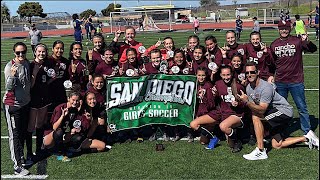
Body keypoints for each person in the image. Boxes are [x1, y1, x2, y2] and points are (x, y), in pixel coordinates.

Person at [239, 62, 319, 161]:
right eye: (247, 73)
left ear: (258, 72)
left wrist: (246, 102)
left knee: (255, 116)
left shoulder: (265, 87)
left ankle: (260, 150)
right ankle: (307, 138)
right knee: (277, 145)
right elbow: (254, 107)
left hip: (283, 111)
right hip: (272, 113)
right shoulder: (248, 88)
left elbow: (262, 109)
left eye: (252, 72)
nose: (249, 75)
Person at [270, 21, 317, 135]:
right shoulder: (274, 44)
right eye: (282, 28)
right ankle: (281, 131)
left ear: (290, 29)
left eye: (286, 28)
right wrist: (271, 76)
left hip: (296, 81)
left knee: (302, 107)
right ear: (278, 30)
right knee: (280, 109)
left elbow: (313, 49)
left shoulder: (297, 41)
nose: (284, 31)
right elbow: (271, 64)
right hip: (280, 82)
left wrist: (307, 41)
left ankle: (307, 131)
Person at [190, 64, 246, 153]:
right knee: (193, 124)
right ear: (220, 75)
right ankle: (214, 138)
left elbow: (245, 105)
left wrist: (238, 104)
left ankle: (236, 140)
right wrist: (209, 96)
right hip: (220, 113)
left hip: (234, 114)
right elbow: (212, 103)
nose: (226, 77)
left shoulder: (238, 86)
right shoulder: (218, 84)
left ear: (231, 74)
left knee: (225, 132)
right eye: (223, 75)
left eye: (228, 74)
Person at [3, 42, 31, 176]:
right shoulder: (10, 67)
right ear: (14, 53)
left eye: (23, 52)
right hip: (13, 105)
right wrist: (12, 76)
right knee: (14, 135)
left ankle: (21, 158)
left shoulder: (26, 63)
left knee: (22, 133)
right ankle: (17, 166)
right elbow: (8, 88)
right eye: (18, 53)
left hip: (24, 104)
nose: (21, 55)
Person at [27, 43, 53, 163]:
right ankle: (29, 152)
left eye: (43, 51)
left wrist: (53, 77)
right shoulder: (31, 65)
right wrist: (35, 73)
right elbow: (30, 86)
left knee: (40, 124)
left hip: (45, 98)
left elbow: (48, 81)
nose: (41, 53)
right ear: (35, 52)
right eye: (39, 51)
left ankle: (38, 149)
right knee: (31, 126)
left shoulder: (47, 64)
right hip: (33, 99)